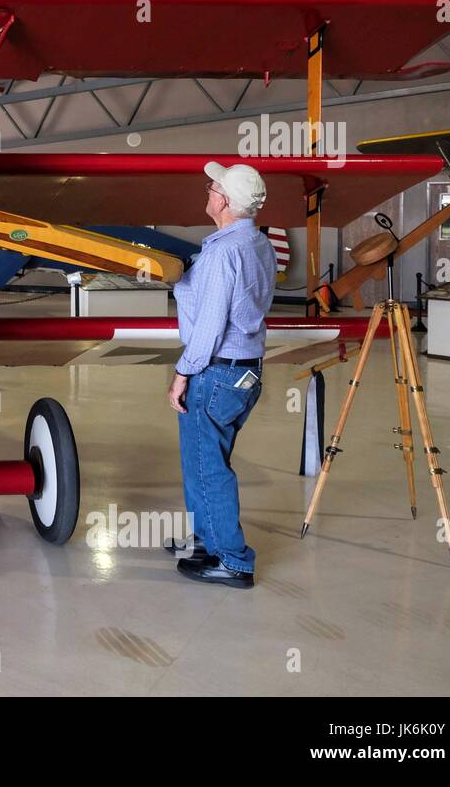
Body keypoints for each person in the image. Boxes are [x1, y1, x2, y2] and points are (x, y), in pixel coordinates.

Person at [166, 161, 275, 589]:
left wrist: (181, 373)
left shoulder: (222, 252)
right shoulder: (256, 243)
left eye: (213, 187)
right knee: (206, 461)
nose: (208, 190)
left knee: (207, 467)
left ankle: (232, 560)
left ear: (225, 201)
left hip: (216, 373)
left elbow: (210, 326)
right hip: (246, 373)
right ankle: (207, 542)